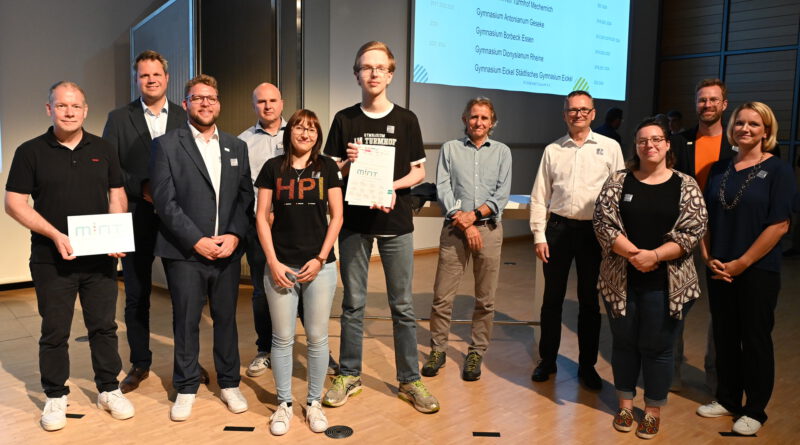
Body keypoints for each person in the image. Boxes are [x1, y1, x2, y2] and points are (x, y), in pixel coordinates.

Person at [4, 81, 135, 431]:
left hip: (100, 260)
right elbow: (14, 204)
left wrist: (117, 231)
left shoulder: (104, 148)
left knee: (104, 327)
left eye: (75, 106)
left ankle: (109, 388)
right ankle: (55, 396)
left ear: (85, 110)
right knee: (55, 330)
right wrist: (55, 235)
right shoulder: (30, 151)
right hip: (51, 259)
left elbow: (117, 194)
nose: (69, 111)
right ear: (49, 109)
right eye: (61, 105)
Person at [322, 41, 439, 413]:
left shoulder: (407, 120)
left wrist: (392, 186)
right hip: (354, 225)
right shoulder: (344, 119)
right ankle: (350, 375)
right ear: (356, 74)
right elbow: (330, 173)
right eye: (365, 67)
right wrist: (346, 164)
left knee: (402, 306)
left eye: (379, 68)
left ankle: (409, 380)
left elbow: (419, 171)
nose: (372, 74)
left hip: (396, 224)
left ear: (390, 74)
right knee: (354, 303)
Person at [593, 118, 707, 439]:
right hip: (621, 280)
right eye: (643, 141)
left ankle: (653, 411)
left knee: (658, 348)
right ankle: (626, 406)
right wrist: (634, 255)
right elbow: (603, 223)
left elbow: (693, 229)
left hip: (666, 284)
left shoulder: (685, 185)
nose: (650, 145)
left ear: (668, 145)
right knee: (625, 344)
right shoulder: (618, 181)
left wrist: (654, 256)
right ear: (636, 146)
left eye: (657, 139)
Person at [149, 74, 254, 421]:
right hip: (185, 253)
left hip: (226, 251)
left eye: (211, 97)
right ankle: (187, 386)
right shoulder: (166, 145)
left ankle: (229, 383)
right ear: (186, 104)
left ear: (218, 103)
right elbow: (165, 202)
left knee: (226, 320)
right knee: (186, 321)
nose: (205, 103)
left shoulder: (236, 147)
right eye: (198, 98)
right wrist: (197, 239)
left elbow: (244, 199)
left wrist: (235, 236)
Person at [696, 102, 795, 436]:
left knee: (754, 339)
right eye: (740, 123)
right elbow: (706, 217)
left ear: (766, 131)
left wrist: (742, 263)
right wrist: (708, 256)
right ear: (732, 128)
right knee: (724, 336)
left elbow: (778, 225)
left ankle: (755, 409)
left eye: (754, 124)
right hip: (720, 267)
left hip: (757, 270)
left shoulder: (779, 171)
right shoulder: (720, 167)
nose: (745, 129)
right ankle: (727, 398)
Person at [102, 50, 190, 393]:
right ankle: (140, 362)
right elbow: (110, 168)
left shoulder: (185, 117)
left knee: (185, 295)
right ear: (136, 80)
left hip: (177, 220)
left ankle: (188, 359)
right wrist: (143, 186)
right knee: (137, 295)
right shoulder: (118, 118)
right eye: (144, 76)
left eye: (156, 75)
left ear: (167, 79)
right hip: (136, 215)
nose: (151, 80)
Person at [255, 109, 344, 435]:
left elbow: (337, 216)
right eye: (299, 128)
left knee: (318, 338)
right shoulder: (271, 168)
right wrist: (274, 262)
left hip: (320, 267)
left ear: (317, 135)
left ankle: (315, 404)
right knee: (281, 339)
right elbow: (261, 217)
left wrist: (321, 258)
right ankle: (284, 405)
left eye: (311, 129)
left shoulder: (327, 168)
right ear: (288, 132)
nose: (305, 134)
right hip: (281, 267)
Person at [529, 90, 624, 389]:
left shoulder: (610, 148)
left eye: (584, 109)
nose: (578, 114)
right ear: (565, 114)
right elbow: (539, 196)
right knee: (551, 301)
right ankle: (547, 360)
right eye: (572, 110)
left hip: (593, 234)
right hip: (557, 231)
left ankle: (587, 366)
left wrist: (614, 236)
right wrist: (538, 234)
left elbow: (619, 194)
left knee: (588, 303)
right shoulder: (553, 150)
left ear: (593, 113)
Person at [421, 97, 511, 381]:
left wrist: (473, 217)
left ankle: (476, 352)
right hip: (454, 229)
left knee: (486, 299)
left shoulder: (502, 152)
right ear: (465, 119)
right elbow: (444, 188)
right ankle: (438, 349)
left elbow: (501, 194)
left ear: (492, 122)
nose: (479, 122)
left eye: (484, 118)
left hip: (489, 230)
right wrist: (463, 219)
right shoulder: (450, 149)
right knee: (441, 297)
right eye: (474, 117)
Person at [670, 78, 736, 393]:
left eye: (713, 100)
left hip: (725, 237)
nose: (707, 105)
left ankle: (715, 378)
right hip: (684, 235)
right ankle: (671, 374)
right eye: (701, 100)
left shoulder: (737, 144)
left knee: (720, 312)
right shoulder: (679, 141)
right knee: (676, 305)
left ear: (724, 105)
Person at [237, 82, 286, 377]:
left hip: (295, 228)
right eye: (261, 102)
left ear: (282, 102)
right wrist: (261, 214)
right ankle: (265, 349)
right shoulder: (242, 141)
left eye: (272, 100)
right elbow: (243, 188)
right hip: (259, 227)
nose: (267, 106)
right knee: (260, 291)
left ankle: (318, 349)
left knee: (303, 288)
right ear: (254, 105)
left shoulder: (298, 134)